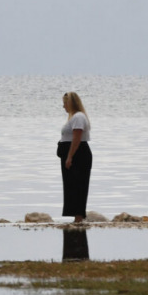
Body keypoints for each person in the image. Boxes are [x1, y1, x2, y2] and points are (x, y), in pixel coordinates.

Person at [58, 92, 92, 223]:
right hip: (74, 153)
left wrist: (69, 156)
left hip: (78, 155)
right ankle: (76, 215)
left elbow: (77, 138)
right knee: (71, 185)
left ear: (71, 103)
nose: (64, 106)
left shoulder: (78, 117)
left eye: (65, 103)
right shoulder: (74, 117)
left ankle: (79, 216)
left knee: (78, 184)